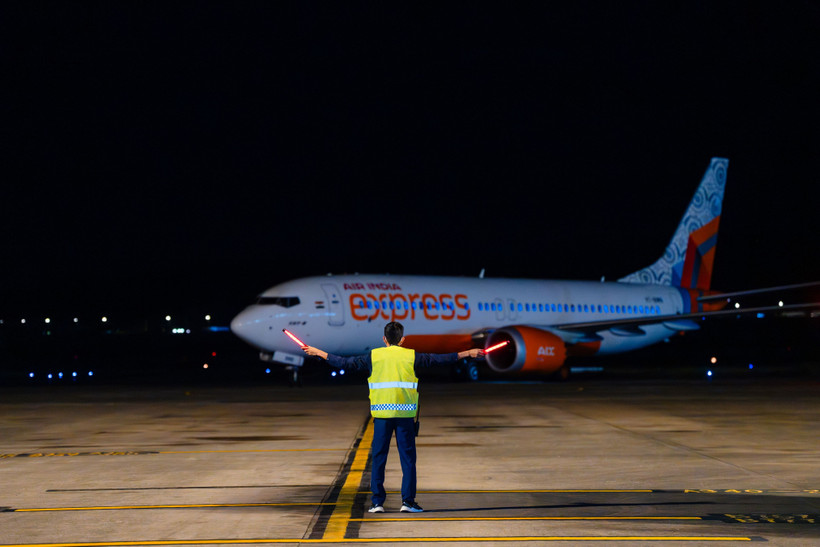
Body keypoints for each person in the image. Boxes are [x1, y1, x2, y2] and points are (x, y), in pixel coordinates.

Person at [302, 321, 483, 513]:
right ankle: (408, 502)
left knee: (379, 459)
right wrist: (468, 353)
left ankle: (377, 503)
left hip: (382, 416)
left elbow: (345, 363)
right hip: (405, 416)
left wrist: (318, 352)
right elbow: (440, 359)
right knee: (408, 460)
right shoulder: (410, 355)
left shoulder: (374, 356)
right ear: (402, 340)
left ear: (384, 339)